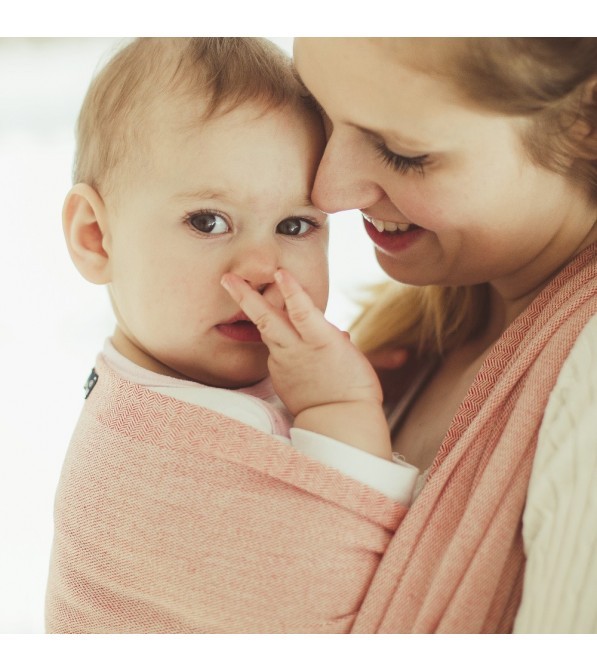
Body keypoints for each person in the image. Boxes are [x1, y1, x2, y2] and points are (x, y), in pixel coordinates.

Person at [45, 37, 418, 634]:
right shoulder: (151, 455)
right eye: (208, 221)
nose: (262, 268)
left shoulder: (184, 377)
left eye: (295, 225)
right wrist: (339, 407)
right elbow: (347, 606)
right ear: (97, 238)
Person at [226, 37, 597, 633]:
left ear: (587, 122)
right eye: (321, 110)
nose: (328, 192)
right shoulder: (420, 335)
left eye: (401, 152)